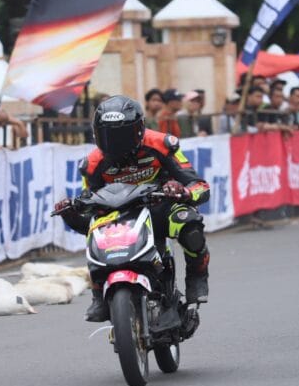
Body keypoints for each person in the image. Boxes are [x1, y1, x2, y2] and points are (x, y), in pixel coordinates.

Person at [55, 95, 211, 322]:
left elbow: (199, 186)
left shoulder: (163, 144)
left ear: (138, 130)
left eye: (120, 134)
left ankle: (197, 277)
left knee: (190, 225)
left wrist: (183, 192)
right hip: (119, 215)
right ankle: (99, 295)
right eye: (107, 134)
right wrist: (70, 212)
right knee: (95, 233)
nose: (114, 141)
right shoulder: (92, 164)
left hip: (160, 208)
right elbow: (89, 210)